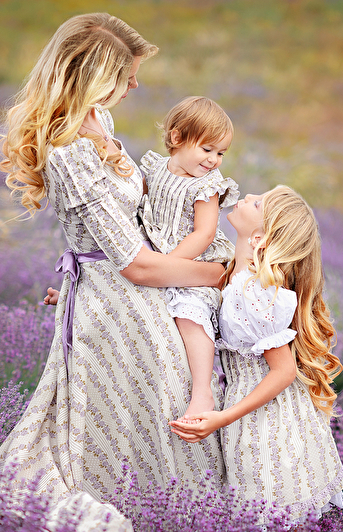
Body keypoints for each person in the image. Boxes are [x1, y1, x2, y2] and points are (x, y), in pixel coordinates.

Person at [0, 12, 227, 523]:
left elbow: (123, 229)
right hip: (117, 313)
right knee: (127, 434)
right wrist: (223, 276)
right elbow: (135, 265)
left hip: (136, 296)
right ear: (94, 75)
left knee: (163, 424)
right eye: (127, 76)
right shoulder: (68, 150)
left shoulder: (99, 119)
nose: (135, 86)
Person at [169, 186, 343, 524]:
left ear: (260, 238)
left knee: (269, 514)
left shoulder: (255, 291)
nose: (248, 196)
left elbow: (283, 371)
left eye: (258, 203)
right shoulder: (233, 276)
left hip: (269, 423)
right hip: (251, 413)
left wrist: (224, 417)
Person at [139, 96, 238, 421]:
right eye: (207, 149)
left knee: (191, 314)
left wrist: (169, 264)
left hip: (194, 261)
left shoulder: (207, 186)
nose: (214, 160)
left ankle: (202, 391)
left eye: (221, 153)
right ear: (177, 138)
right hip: (156, 251)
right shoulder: (155, 167)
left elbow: (204, 234)